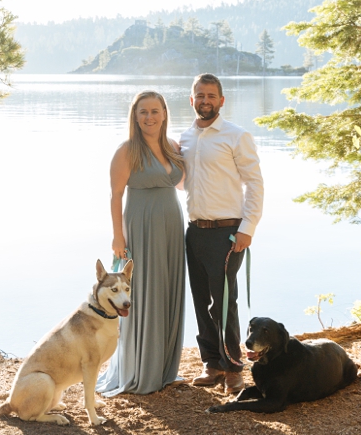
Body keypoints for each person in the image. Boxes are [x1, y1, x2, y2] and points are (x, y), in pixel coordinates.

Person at [96, 90, 186, 396]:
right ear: (135, 116)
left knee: (167, 289)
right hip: (140, 225)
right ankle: (139, 369)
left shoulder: (173, 146)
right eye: (143, 112)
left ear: (164, 113)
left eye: (155, 111)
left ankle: (164, 369)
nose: (149, 117)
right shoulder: (126, 150)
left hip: (172, 226)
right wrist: (117, 235)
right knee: (144, 293)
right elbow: (115, 195)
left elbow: (185, 181)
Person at [180, 73, 264, 394]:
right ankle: (211, 363)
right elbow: (181, 180)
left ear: (221, 100)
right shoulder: (186, 138)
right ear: (192, 100)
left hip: (228, 233)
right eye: (200, 95)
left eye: (211, 95)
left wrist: (247, 228)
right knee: (202, 301)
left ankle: (233, 368)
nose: (205, 100)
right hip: (194, 232)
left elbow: (255, 183)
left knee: (225, 302)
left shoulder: (236, 136)